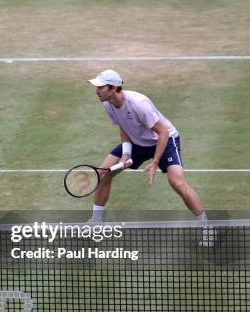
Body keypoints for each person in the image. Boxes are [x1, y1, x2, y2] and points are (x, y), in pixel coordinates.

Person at [86, 69, 210, 234]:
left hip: (164, 140)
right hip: (137, 141)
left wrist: (155, 161)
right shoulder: (108, 103)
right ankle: (96, 222)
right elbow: (124, 126)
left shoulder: (139, 104)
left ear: (114, 88)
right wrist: (126, 154)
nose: (97, 91)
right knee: (103, 172)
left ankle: (207, 227)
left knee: (177, 183)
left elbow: (163, 132)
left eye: (101, 87)